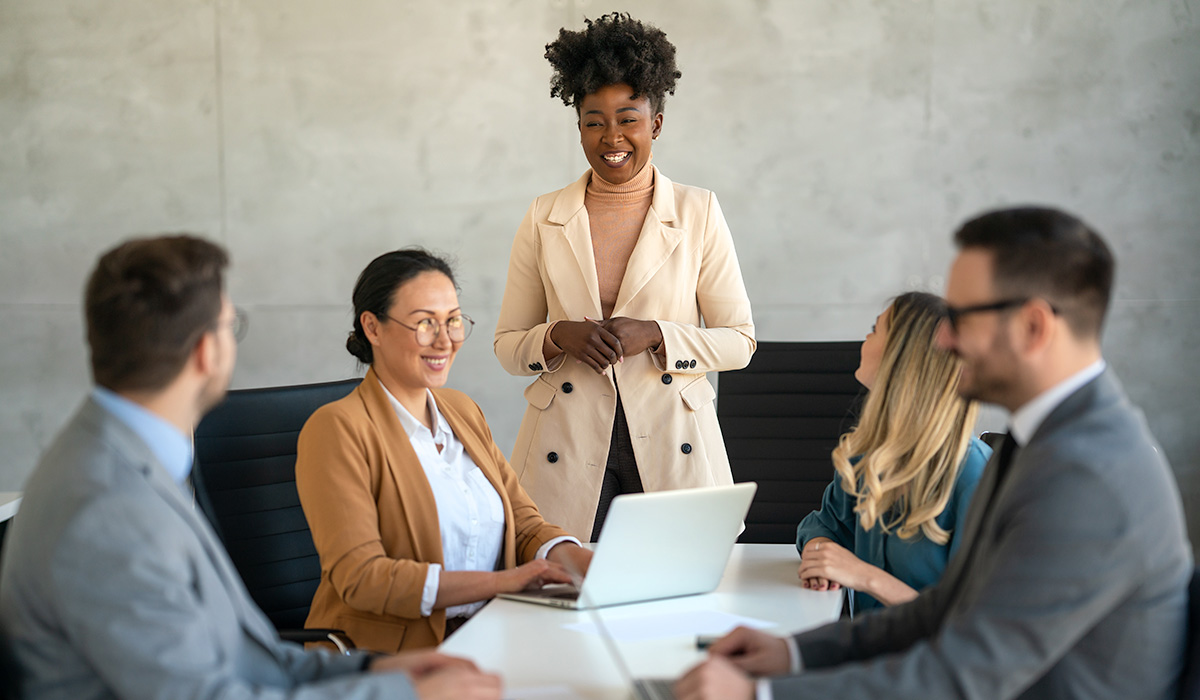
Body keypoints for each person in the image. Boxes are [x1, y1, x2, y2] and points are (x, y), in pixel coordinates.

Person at [675, 206, 1192, 700]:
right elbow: (947, 608)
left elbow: (967, 676)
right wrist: (791, 652)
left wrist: (761, 694)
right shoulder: (1044, 441)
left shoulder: (1087, 478)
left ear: (1033, 328)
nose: (942, 338)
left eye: (962, 317)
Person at [0, 236, 500, 700]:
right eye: (229, 324)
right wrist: (404, 696)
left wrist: (371, 672)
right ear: (205, 352)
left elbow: (244, 658)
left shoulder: (130, 459)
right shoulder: (108, 508)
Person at [494, 12, 756, 540]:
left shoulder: (698, 211)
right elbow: (506, 346)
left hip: (670, 437)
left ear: (655, 123)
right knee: (565, 599)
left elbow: (740, 342)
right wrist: (555, 336)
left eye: (628, 118)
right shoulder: (544, 216)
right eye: (594, 121)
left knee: (675, 597)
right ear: (579, 126)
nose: (611, 137)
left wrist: (659, 335)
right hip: (564, 443)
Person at [296, 249, 593, 654]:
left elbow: (522, 524)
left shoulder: (461, 410)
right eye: (424, 323)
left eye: (453, 321)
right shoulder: (338, 429)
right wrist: (503, 582)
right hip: (394, 651)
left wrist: (578, 561)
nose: (444, 340)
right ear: (373, 327)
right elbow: (363, 577)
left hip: (492, 632)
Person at [795, 292, 990, 613]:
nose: (865, 338)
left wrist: (864, 576)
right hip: (864, 647)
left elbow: (968, 621)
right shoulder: (867, 455)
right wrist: (823, 553)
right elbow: (822, 525)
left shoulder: (972, 473)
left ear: (903, 357)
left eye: (875, 329)